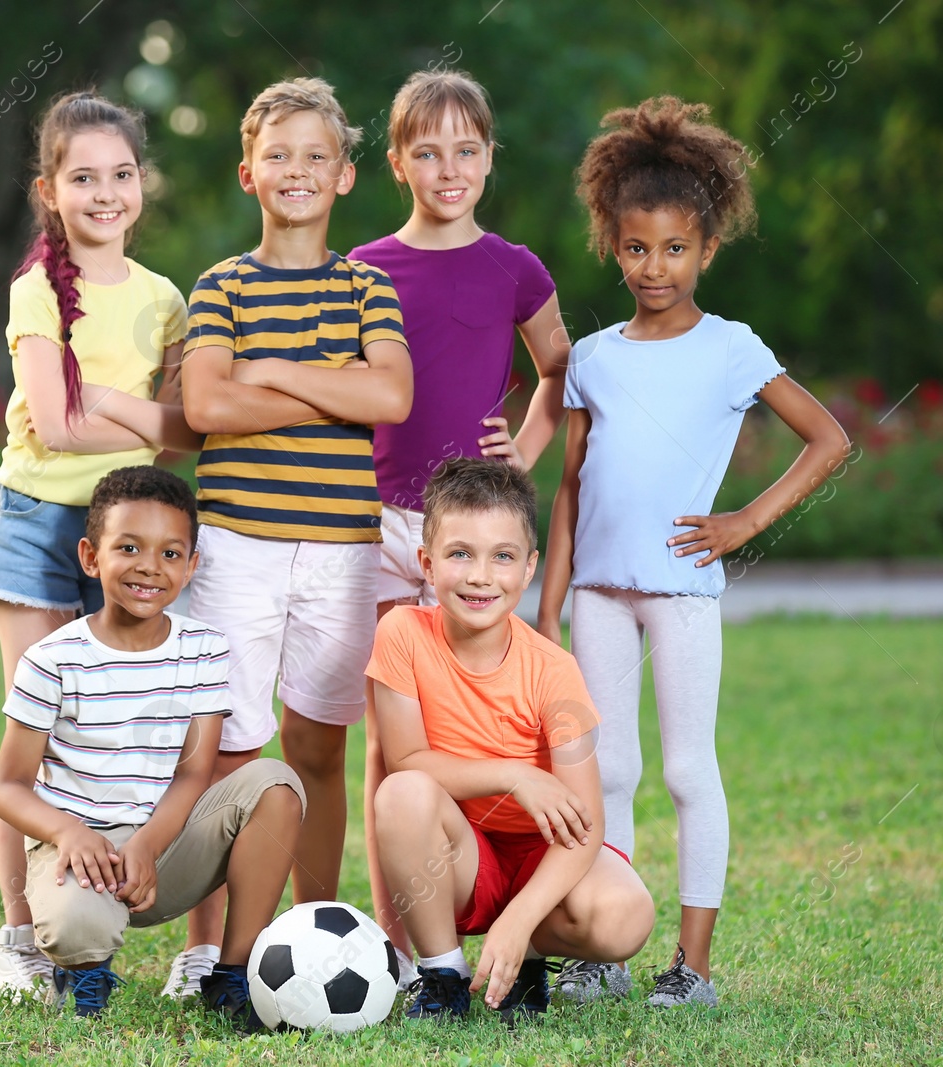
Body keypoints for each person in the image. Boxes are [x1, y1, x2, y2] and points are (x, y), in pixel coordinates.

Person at [536, 96, 852, 1007]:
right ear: (612, 241)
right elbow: (570, 488)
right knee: (609, 767)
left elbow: (828, 439)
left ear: (707, 249)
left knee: (685, 768)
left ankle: (695, 968)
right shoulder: (592, 357)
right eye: (637, 248)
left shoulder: (730, 349)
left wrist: (743, 523)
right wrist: (547, 607)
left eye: (676, 249)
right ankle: (607, 950)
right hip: (595, 591)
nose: (655, 267)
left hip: (681, 589)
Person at [168, 77, 414, 998]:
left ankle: (320, 940)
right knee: (229, 747)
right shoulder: (222, 284)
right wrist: (320, 376)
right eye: (280, 154)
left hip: (342, 548)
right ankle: (208, 950)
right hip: (238, 540)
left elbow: (390, 395)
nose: (298, 170)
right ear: (248, 172)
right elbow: (203, 404)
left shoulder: (367, 285)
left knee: (317, 749)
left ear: (347, 175)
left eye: (317, 155)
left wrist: (263, 373)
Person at [0, 90, 202, 1003]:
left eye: (121, 174)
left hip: (129, 527)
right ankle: (21, 936)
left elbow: (190, 433)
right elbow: (59, 431)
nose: (105, 192)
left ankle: (125, 913)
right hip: (37, 523)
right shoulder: (35, 288)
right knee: (36, 736)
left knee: (126, 730)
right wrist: (139, 421)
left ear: (142, 182)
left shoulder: (166, 297)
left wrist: (125, 415)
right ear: (48, 189)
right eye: (83, 177)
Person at [346, 69, 570, 982]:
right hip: (380, 529)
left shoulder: (515, 268)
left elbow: (559, 370)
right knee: (387, 741)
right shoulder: (364, 267)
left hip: (470, 537)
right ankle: (393, 944)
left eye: (467, 151)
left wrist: (522, 450)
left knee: (479, 727)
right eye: (428, 151)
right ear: (397, 160)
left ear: (488, 159)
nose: (449, 167)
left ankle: (481, 898)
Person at [0, 465, 303, 1031]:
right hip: (80, 853)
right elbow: (8, 787)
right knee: (75, 927)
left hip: (167, 846)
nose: (149, 568)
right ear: (91, 556)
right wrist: (67, 832)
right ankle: (84, 971)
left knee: (276, 784)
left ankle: (231, 976)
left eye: (170, 553)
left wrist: (148, 844)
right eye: (128, 547)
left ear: (191, 565)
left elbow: (194, 773)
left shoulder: (204, 649)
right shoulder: (51, 659)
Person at [370, 458, 655, 1020]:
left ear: (528, 570)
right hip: (459, 854)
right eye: (460, 554)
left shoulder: (555, 670)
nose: (480, 576)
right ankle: (443, 976)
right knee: (401, 792)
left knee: (626, 915)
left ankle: (522, 958)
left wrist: (518, 922)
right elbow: (406, 759)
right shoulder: (401, 632)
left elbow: (586, 824)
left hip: (541, 852)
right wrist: (515, 772)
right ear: (427, 564)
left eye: (502, 556)